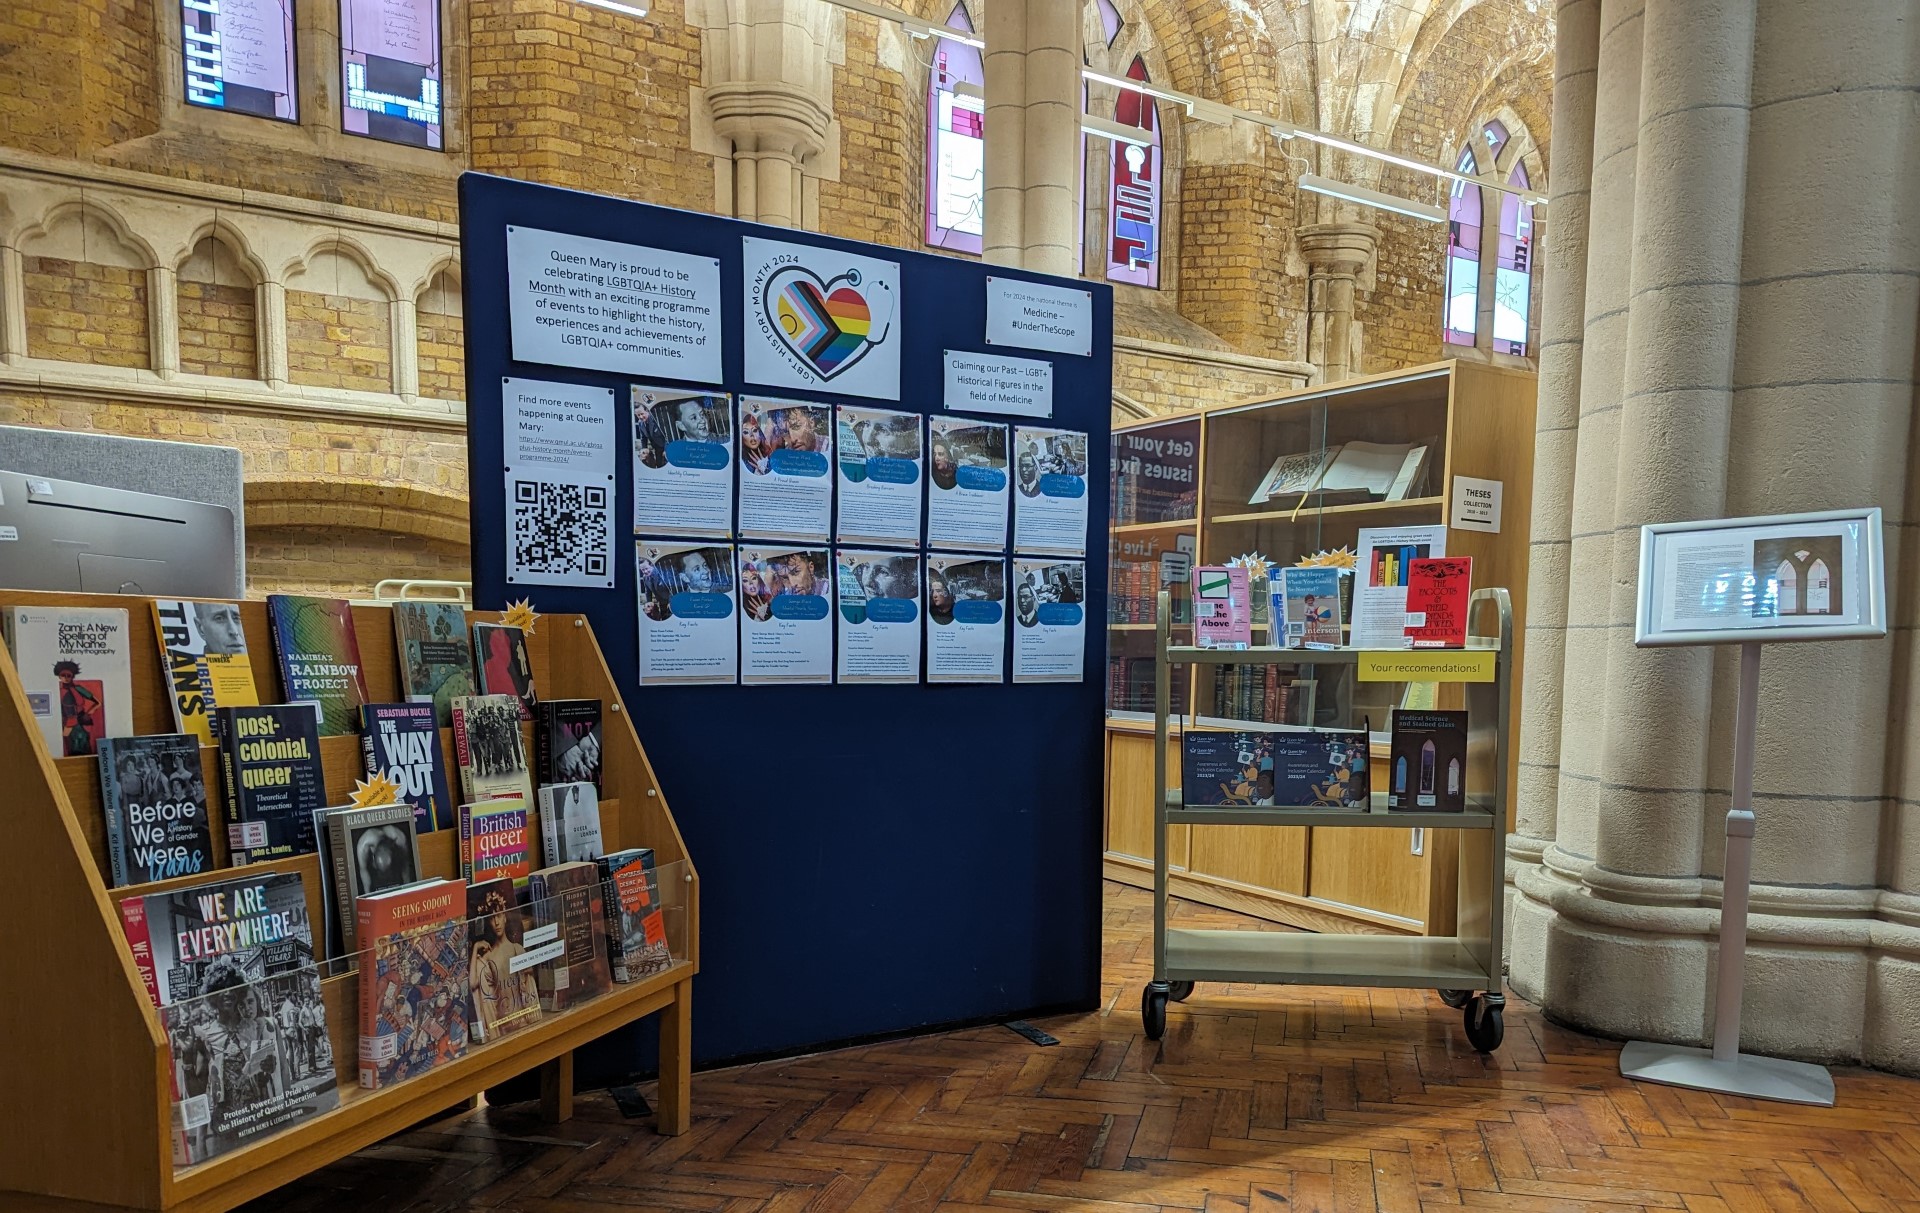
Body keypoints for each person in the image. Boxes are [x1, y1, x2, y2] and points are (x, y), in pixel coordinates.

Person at [470, 886, 541, 1040]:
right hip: (501, 1030)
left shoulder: (517, 949)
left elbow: (530, 989)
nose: (496, 922)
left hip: (524, 1023)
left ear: (505, 917)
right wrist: (475, 948)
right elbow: (473, 984)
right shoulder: (488, 957)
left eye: (499, 915)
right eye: (491, 917)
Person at [53, 660, 99, 756]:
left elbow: (97, 703)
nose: (65, 678)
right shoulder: (56, 690)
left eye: (68, 675)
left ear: (72, 676)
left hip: (81, 722)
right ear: (59, 676)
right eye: (63, 675)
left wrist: (88, 713)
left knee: (82, 744)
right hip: (65, 723)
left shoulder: (78, 689)